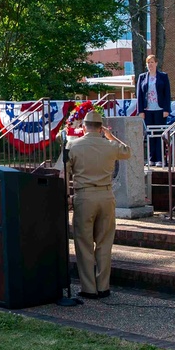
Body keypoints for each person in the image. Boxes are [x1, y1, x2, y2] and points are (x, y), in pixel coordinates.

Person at [66, 110, 131, 299]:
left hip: (84, 196)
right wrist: (111, 136)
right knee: (104, 243)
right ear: (101, 128)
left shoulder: (73, 145)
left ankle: (89, 288)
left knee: (84, 243)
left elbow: (61, 172)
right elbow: (127, 151)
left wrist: (67, 196)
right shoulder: (110, 146)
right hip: (106, 195)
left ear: (84, 126)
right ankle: (103, 286)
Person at [136, 55, 172, 166]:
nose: (150, 65)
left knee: (159, 134)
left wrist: (166, 109)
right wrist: (140, 111)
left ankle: (160, 159)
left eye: (152, 62)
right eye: (148, 63)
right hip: (147, 110)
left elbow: (167, 94)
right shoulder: (142, 77)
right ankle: (151, 159)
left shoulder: (163, 76)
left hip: (160, 110)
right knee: (150, 135)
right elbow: (139, 95)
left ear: (156, 63)